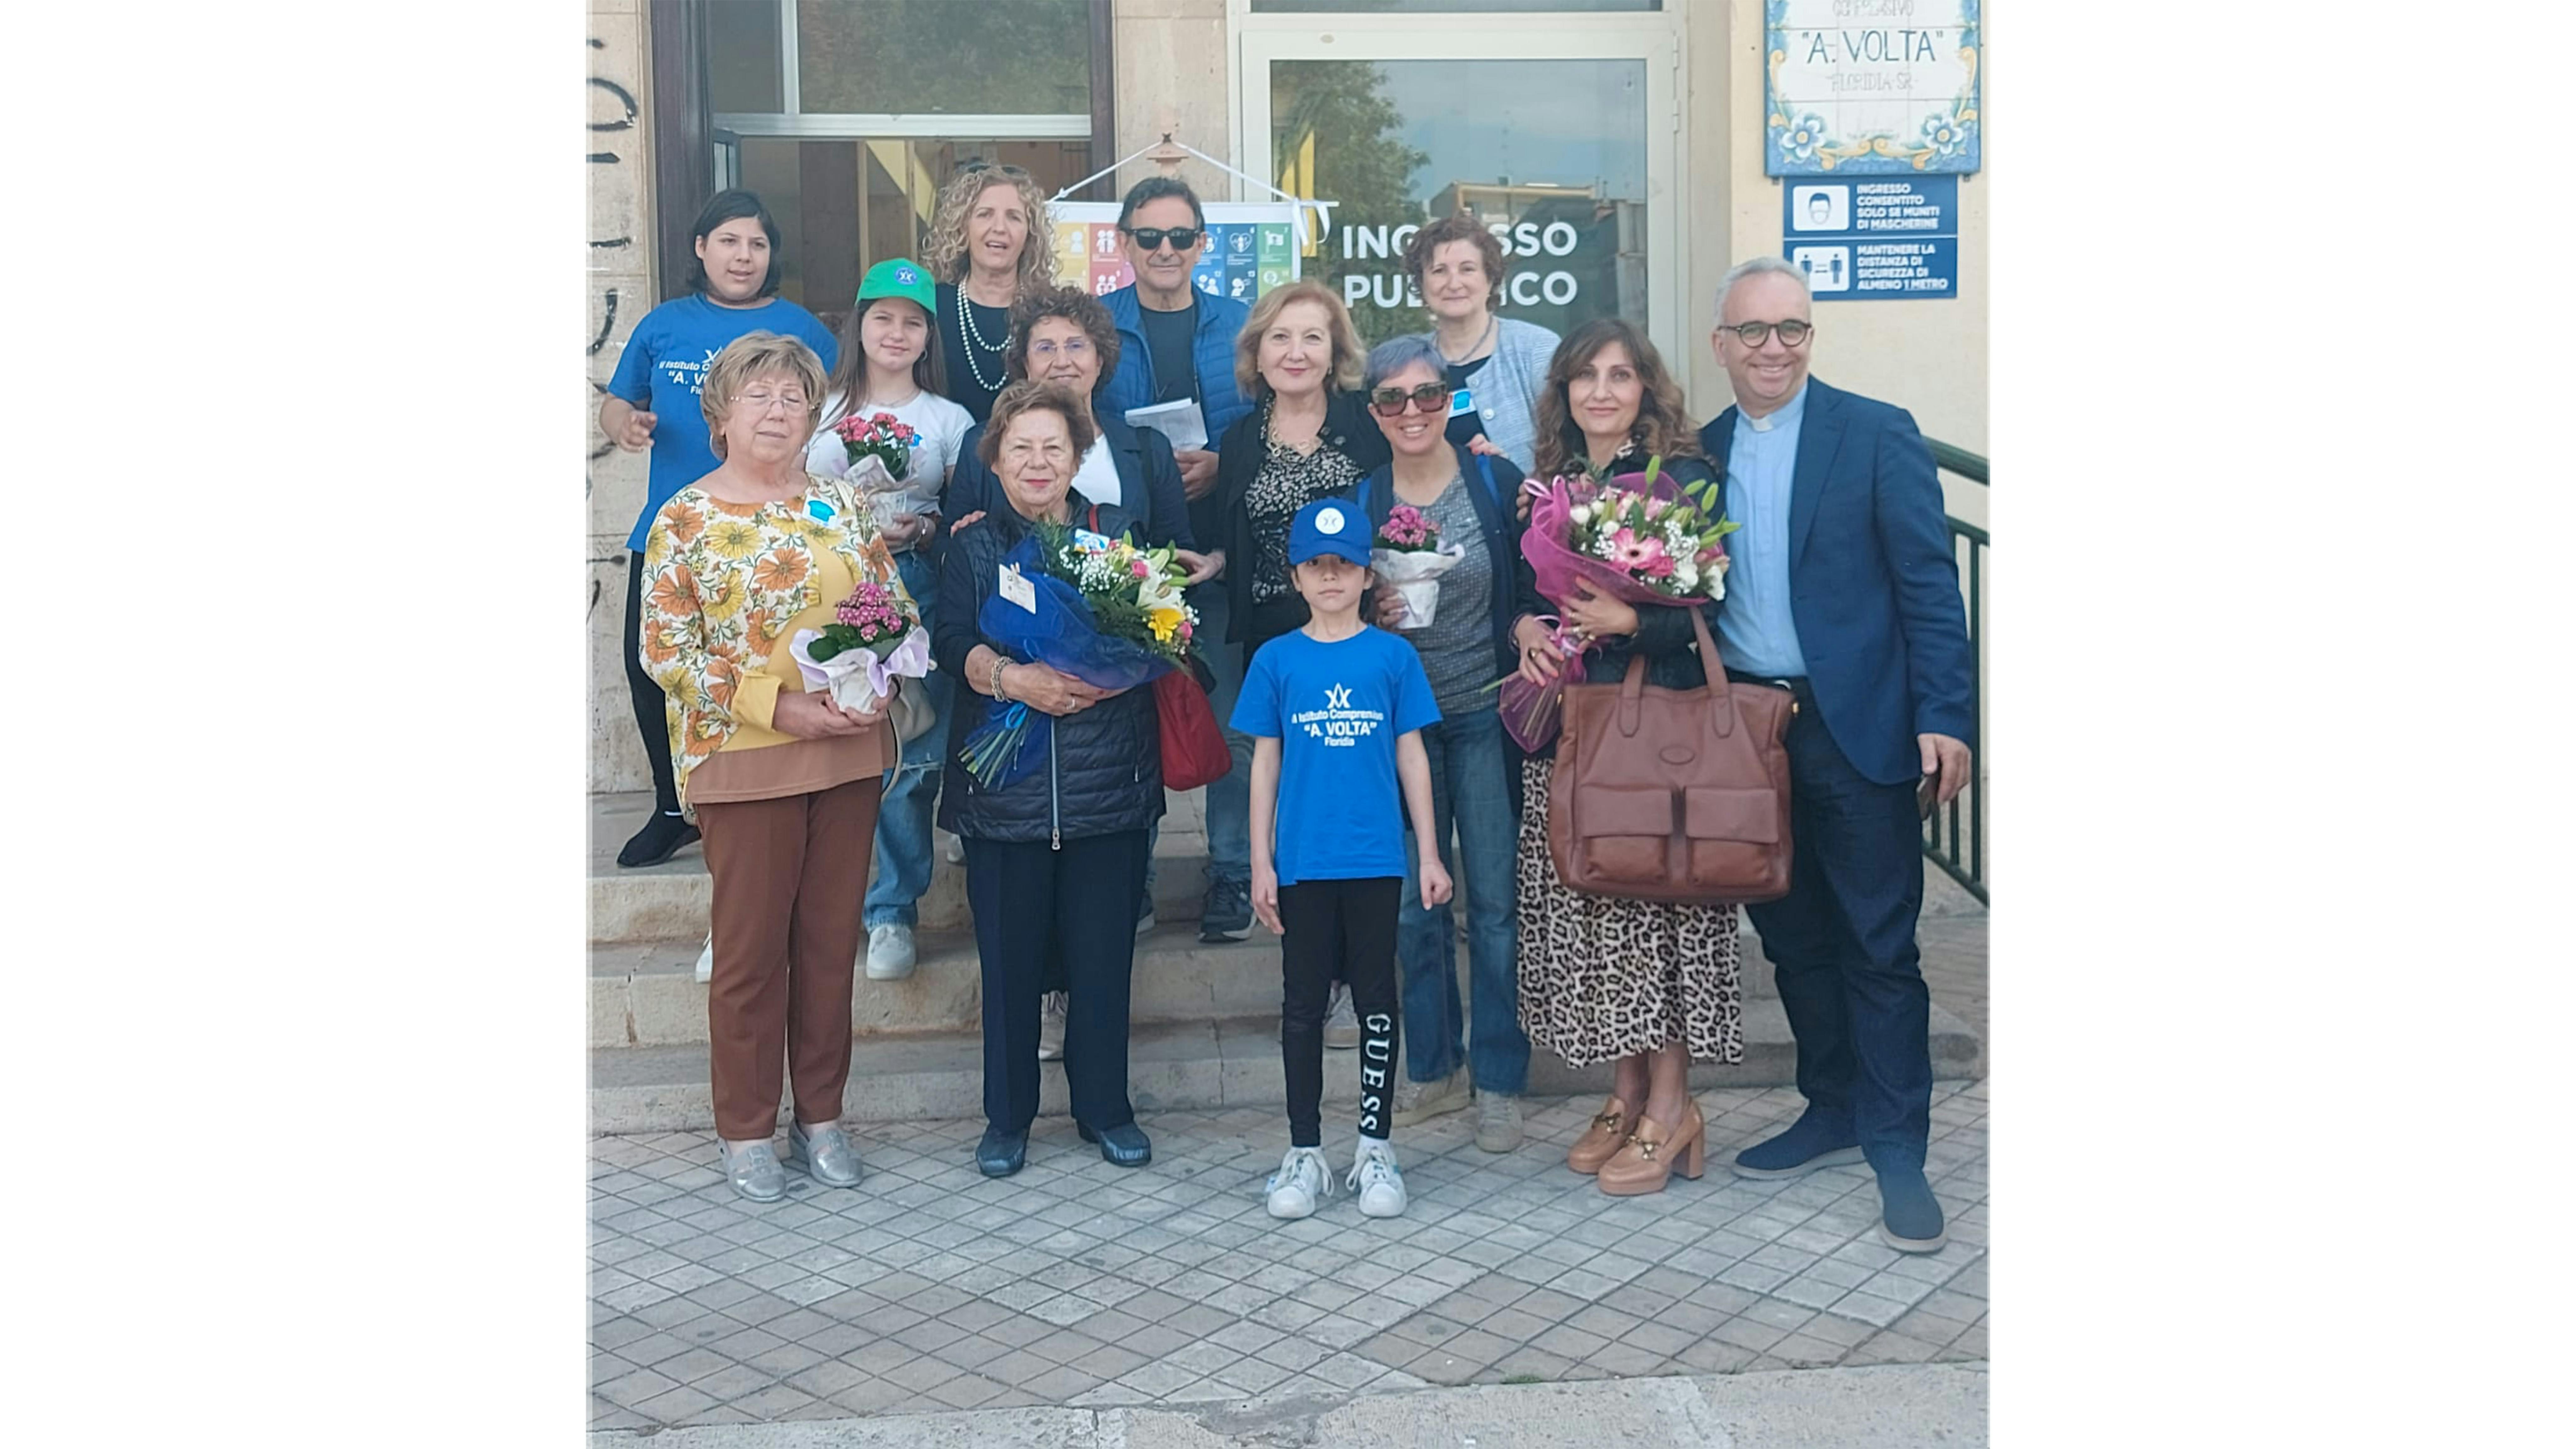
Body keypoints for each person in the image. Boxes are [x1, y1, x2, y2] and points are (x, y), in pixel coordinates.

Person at [1698, 257, 1974, 1251]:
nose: (1774, 348)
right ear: (1721, 345)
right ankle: (1832, 1105)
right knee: (1793, 935)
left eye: (1793, 330)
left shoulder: (1876, 432)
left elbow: (1929, 592)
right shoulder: (1700, 453)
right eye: (1755, 332)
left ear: (1810, 338)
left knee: (1878, 945)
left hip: (1859, 725)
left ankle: (1897, 1148)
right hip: (1752, 735)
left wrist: (1947, 718)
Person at [636, 333, 902, 1203]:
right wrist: (779, 706)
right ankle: (746, 1127)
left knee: (829, 948)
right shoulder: (685, 519)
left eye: (794, 396)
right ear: (719, 414)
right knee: (752, 955)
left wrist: (880, 682)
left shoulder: (840, 505)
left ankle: (821, 1116)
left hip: (847, 754)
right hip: (745, 757)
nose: (779, 410)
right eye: (759, 396)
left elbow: (888, 608)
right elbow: (667, 651)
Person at [1513, 318, 1739, 1195]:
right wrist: (1527, 626)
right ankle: (1628, 1087)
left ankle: (1673, 1107)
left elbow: (1714, 604)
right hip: (1578, 725)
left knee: (1664, 923)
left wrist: (1630, 622)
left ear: (1647, 389)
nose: (1601, 392)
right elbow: (1519, 589)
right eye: (1585, 377)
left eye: (1621, 376)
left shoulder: (1682, 480)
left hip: (1662, 742)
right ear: (1564, 392)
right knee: (1609, 929)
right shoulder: (1552, 486)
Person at [942, 284, 1218, 988]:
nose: (1062, 359)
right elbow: (974, 551)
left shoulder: (1140, 449)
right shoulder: (990, 453)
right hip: (1014, 714)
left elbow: (1168, 552)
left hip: (1111, 722)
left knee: (1104, 903)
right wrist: (1011, 673)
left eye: (1075, 345)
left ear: (1102, 357)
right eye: (1045, 345)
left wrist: (1156, 604)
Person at [933, 383, 1162, 1178]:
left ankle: (1107, 1108)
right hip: (1006, 796)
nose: (1037, 462)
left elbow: (1162, 634)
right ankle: (1008, 1118)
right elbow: (949, 641)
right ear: (994, 458)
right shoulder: (970, 547)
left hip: (1107, 785)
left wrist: (1111, 677)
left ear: (1078, 458)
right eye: (1020, 448)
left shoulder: (1117, 536)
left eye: (1054, 448)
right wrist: (1009, 677)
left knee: (1104, 961)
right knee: (1009, 968)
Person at [602, 189, 839, 869]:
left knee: (758, 668)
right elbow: (619, 403)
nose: (743, 256)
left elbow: (837, 406)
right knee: (651, 668)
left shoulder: (802, 329)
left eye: (757, 244)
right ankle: (672, 808)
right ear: (701, 249)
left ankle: (762, 792)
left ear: (772, 257)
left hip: (773, 536)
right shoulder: (664, 324)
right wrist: (626, 424)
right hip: (671, 533)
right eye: (729, 241)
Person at [1236, 498, 1450, 1220]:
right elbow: (1265, 765)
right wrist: (1259, 860)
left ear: (1366, 574)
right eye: (1316, 566)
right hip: (1302, 861)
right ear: (1295, 576)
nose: (1330, 578)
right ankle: (1303, 1152)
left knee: (1376, 1003)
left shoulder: (1393, 657)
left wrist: (1429, 849)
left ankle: (1374, 1147)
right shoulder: (1276, 660)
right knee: (1302, 1009)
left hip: (1374, 858)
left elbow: (1412, 756)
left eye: (1345, 565)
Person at [1347, 337, 1531, 1152]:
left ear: (1453, 401)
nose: (1414, 411)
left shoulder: (1494, 482)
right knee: (1411, 912)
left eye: (1430, 395)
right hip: (1401, 729)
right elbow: (1330, 612)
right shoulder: (1365, 496)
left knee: (1493, 905)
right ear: (1375, 413)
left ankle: (1498, 1078)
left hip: (1486, 714)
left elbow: (1536, 590)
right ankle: (1434, 1066)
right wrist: (1366, 616)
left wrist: (1530, 626)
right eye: (1394, 400)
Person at [1211, 279, 1389, 1037]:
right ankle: (1310, 957)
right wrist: (1212, 564)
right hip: (1275, 646)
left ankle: (1361, 963)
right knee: (1293, 796)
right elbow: (1237, 534)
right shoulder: (1239, 438)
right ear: (1257, 350)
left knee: (1355, 792)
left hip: (1356, 641)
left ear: (1336, 352)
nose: (1295, 352)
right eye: (1280, 337)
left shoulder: (1366, 426)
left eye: (1312, 337)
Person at [1096, 176, 1261, 944]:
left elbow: (1273, 427)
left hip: (1225, 547)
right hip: (1127, 550)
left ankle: (1231, 868)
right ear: (1124, 243)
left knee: (1228, 718)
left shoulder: (1243, 328)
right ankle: (1132, 877)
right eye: (1149, 237)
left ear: (1202, 244)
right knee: (1133, 718)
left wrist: (1223, 467)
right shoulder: (1094, 327)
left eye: (1180, 237)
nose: (1165, 251)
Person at [805, 257, 975, 982]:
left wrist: (927, 535)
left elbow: (969, 520)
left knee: (912, 757)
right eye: (883, 318)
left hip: (917, 589)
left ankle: (891, 909)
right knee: (832, 755)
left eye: (912, 322)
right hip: (822, 592)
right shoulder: (818, 407)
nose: (896, 333)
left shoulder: (950, 419)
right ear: (859, 324)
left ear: (928, 335)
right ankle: (825, 905)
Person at [1400, 214, 1558, 472]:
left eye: (1468, 269)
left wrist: (1512, 475)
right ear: (1422, 284)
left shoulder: (1537, 349)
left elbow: (1569, 446)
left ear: (1491, 279)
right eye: (1440, 271)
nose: (1454, 283)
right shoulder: (1408, 363)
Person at [925, 163, 1058, 423]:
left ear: (1030, 235)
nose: (999, 228)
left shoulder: (1050, 311)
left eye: (1014, 217)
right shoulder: (931, 306)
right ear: (963, 227)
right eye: (985, 214)